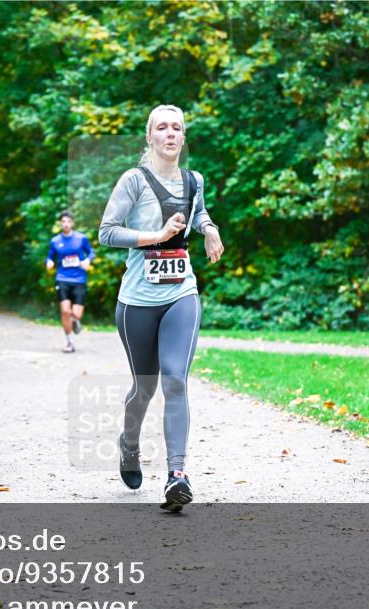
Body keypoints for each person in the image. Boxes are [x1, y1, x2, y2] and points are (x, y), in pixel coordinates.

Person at [98, 104, 224, 512]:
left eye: (177, 128)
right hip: (136, 301)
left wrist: (209, 229)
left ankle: (177, 475)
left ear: (183, 138)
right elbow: (106, 233)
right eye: (162, 127)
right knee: (145, 388)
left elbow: (198, 211)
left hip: (181, 294)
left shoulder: (194, 180)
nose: (170, 133)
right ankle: (129, 443)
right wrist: (155, 236)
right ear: (149, 137)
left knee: (175, 380)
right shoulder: (133, 180)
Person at [45, 211, 95, 353]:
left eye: (68, 221)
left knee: (76, 314)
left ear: (72, 223)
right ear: (60, 224)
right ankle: (69, 342)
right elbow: (50, 256)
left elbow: (91, 252)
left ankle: (75, 320)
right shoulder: (55, 241)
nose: (66, 224)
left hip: (79, 279)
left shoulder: (81, 238)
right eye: (63, 222)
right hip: (62, 278)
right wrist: (49, 262)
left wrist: (87, 260)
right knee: (65, 311)